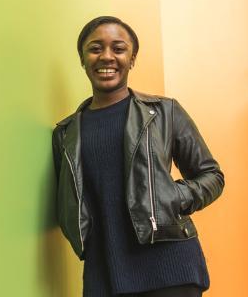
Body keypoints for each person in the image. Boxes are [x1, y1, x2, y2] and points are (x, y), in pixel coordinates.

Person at [51, 16, 225, 297]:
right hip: (103, 274)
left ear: (132, 59)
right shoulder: (65, 134)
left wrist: (172, 196)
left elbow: (212, 175)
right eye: (95, 48)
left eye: (118, 49)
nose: (107, 56)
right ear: (83, 59)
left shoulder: (164, 112)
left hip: (170, 270)